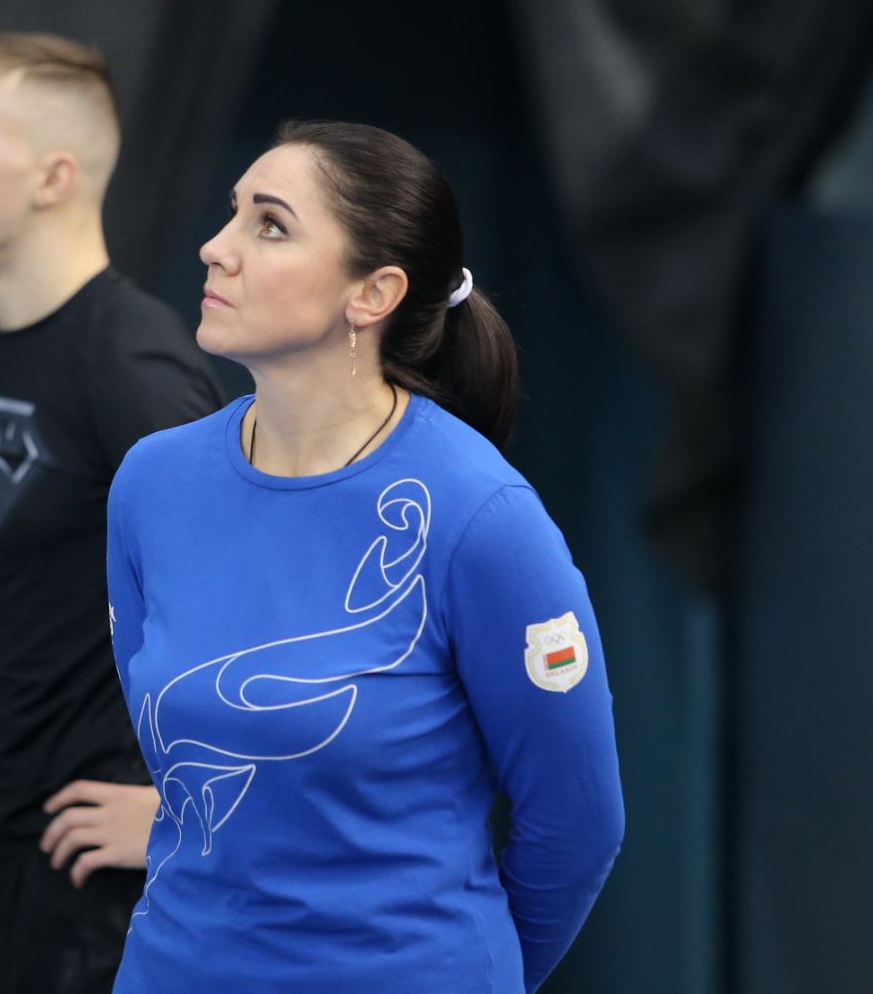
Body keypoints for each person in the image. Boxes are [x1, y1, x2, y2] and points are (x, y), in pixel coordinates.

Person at [104, 121, 624, 992]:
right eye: (232, 214)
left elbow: (578, 822)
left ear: (373, 293)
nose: (215, 247)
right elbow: (176, 757)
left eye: (268, 225)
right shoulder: (150, 484)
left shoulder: (482, 517)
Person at [0, 31, 221, 994]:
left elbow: (274, 601)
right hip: (17, 857)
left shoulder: (129, 364)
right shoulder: (12, 355)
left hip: (105, 903)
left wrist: (180, 814)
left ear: (53, 177)